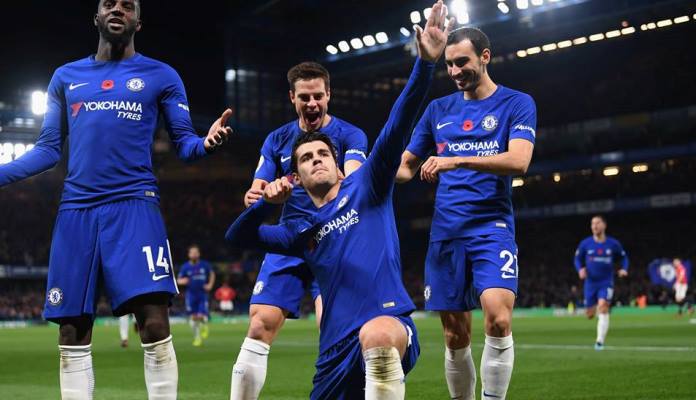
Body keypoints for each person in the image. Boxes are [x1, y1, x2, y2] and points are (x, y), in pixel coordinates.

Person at [0, 1, 232, 398]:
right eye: (109, 3)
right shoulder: (65, 77)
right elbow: (48, 150)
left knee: (154, 322)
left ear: (138, 21)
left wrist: (206, 144)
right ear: (96, 16)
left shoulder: (162, 75)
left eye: (127, 5)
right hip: (76, 211)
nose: (118, 9)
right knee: (72, 330)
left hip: (135, 205)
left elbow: (185, 143)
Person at [226, 3, 451, 398]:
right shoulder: (296, 223)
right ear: (294, 176)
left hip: (380, 317)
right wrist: (263, 202)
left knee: (375, 335)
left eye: (323, 155)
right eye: (307, 158)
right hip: (304, 240)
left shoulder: (365, 184)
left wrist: (426, 64)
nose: (317, 160)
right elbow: (237, 235)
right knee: (263, 323)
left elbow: (398, 123)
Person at [395, 26, 536, 400]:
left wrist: (456, 160)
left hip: (492, 226)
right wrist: (363, 175)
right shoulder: (437, 110)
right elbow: (406, 167)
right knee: (455, 335)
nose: (455, 71)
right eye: (449, 64)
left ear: (485, 57)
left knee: (499, 319)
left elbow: (519, 161)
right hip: (447, 231)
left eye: (462, 62)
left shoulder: (517, 103)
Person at [230, 60, 368, 398]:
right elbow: (257, 190)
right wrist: (258, 196)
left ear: (328, 94)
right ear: (292, 97)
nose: (312, 103)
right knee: (259, 324)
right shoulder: (277, 139)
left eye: (318, 96)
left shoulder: (351, 135)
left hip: (333, 239)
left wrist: (336, 177)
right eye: (304, 97)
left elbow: (355, 182)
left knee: (333, 327)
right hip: (290, 239)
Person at [574, 215, 629, 350]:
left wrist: (624, 269)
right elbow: (577, 259)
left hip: (606, 282)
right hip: (590, 283)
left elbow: (624, 257)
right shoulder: (585, 243)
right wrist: (580, 269)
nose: (594, 226)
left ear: (604, 225)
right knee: (590, 314)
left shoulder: (613, 244)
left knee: (603, 306)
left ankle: (599, 342)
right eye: (592, 223)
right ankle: (595, 311)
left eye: (597, 223)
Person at [177, 244, 215, 346]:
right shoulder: (185, 267)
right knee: (193, 317)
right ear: (189, 254)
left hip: (202, 294)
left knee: (201, 316)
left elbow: (212, 274)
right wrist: (182, 281)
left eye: (195, 252)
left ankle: (204, 324)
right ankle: (197, 337)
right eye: (192, 252)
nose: (194, 254)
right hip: (191, 295)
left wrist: (210, 284)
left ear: (199, 254)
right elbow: (178, 280)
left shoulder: (204, 265)